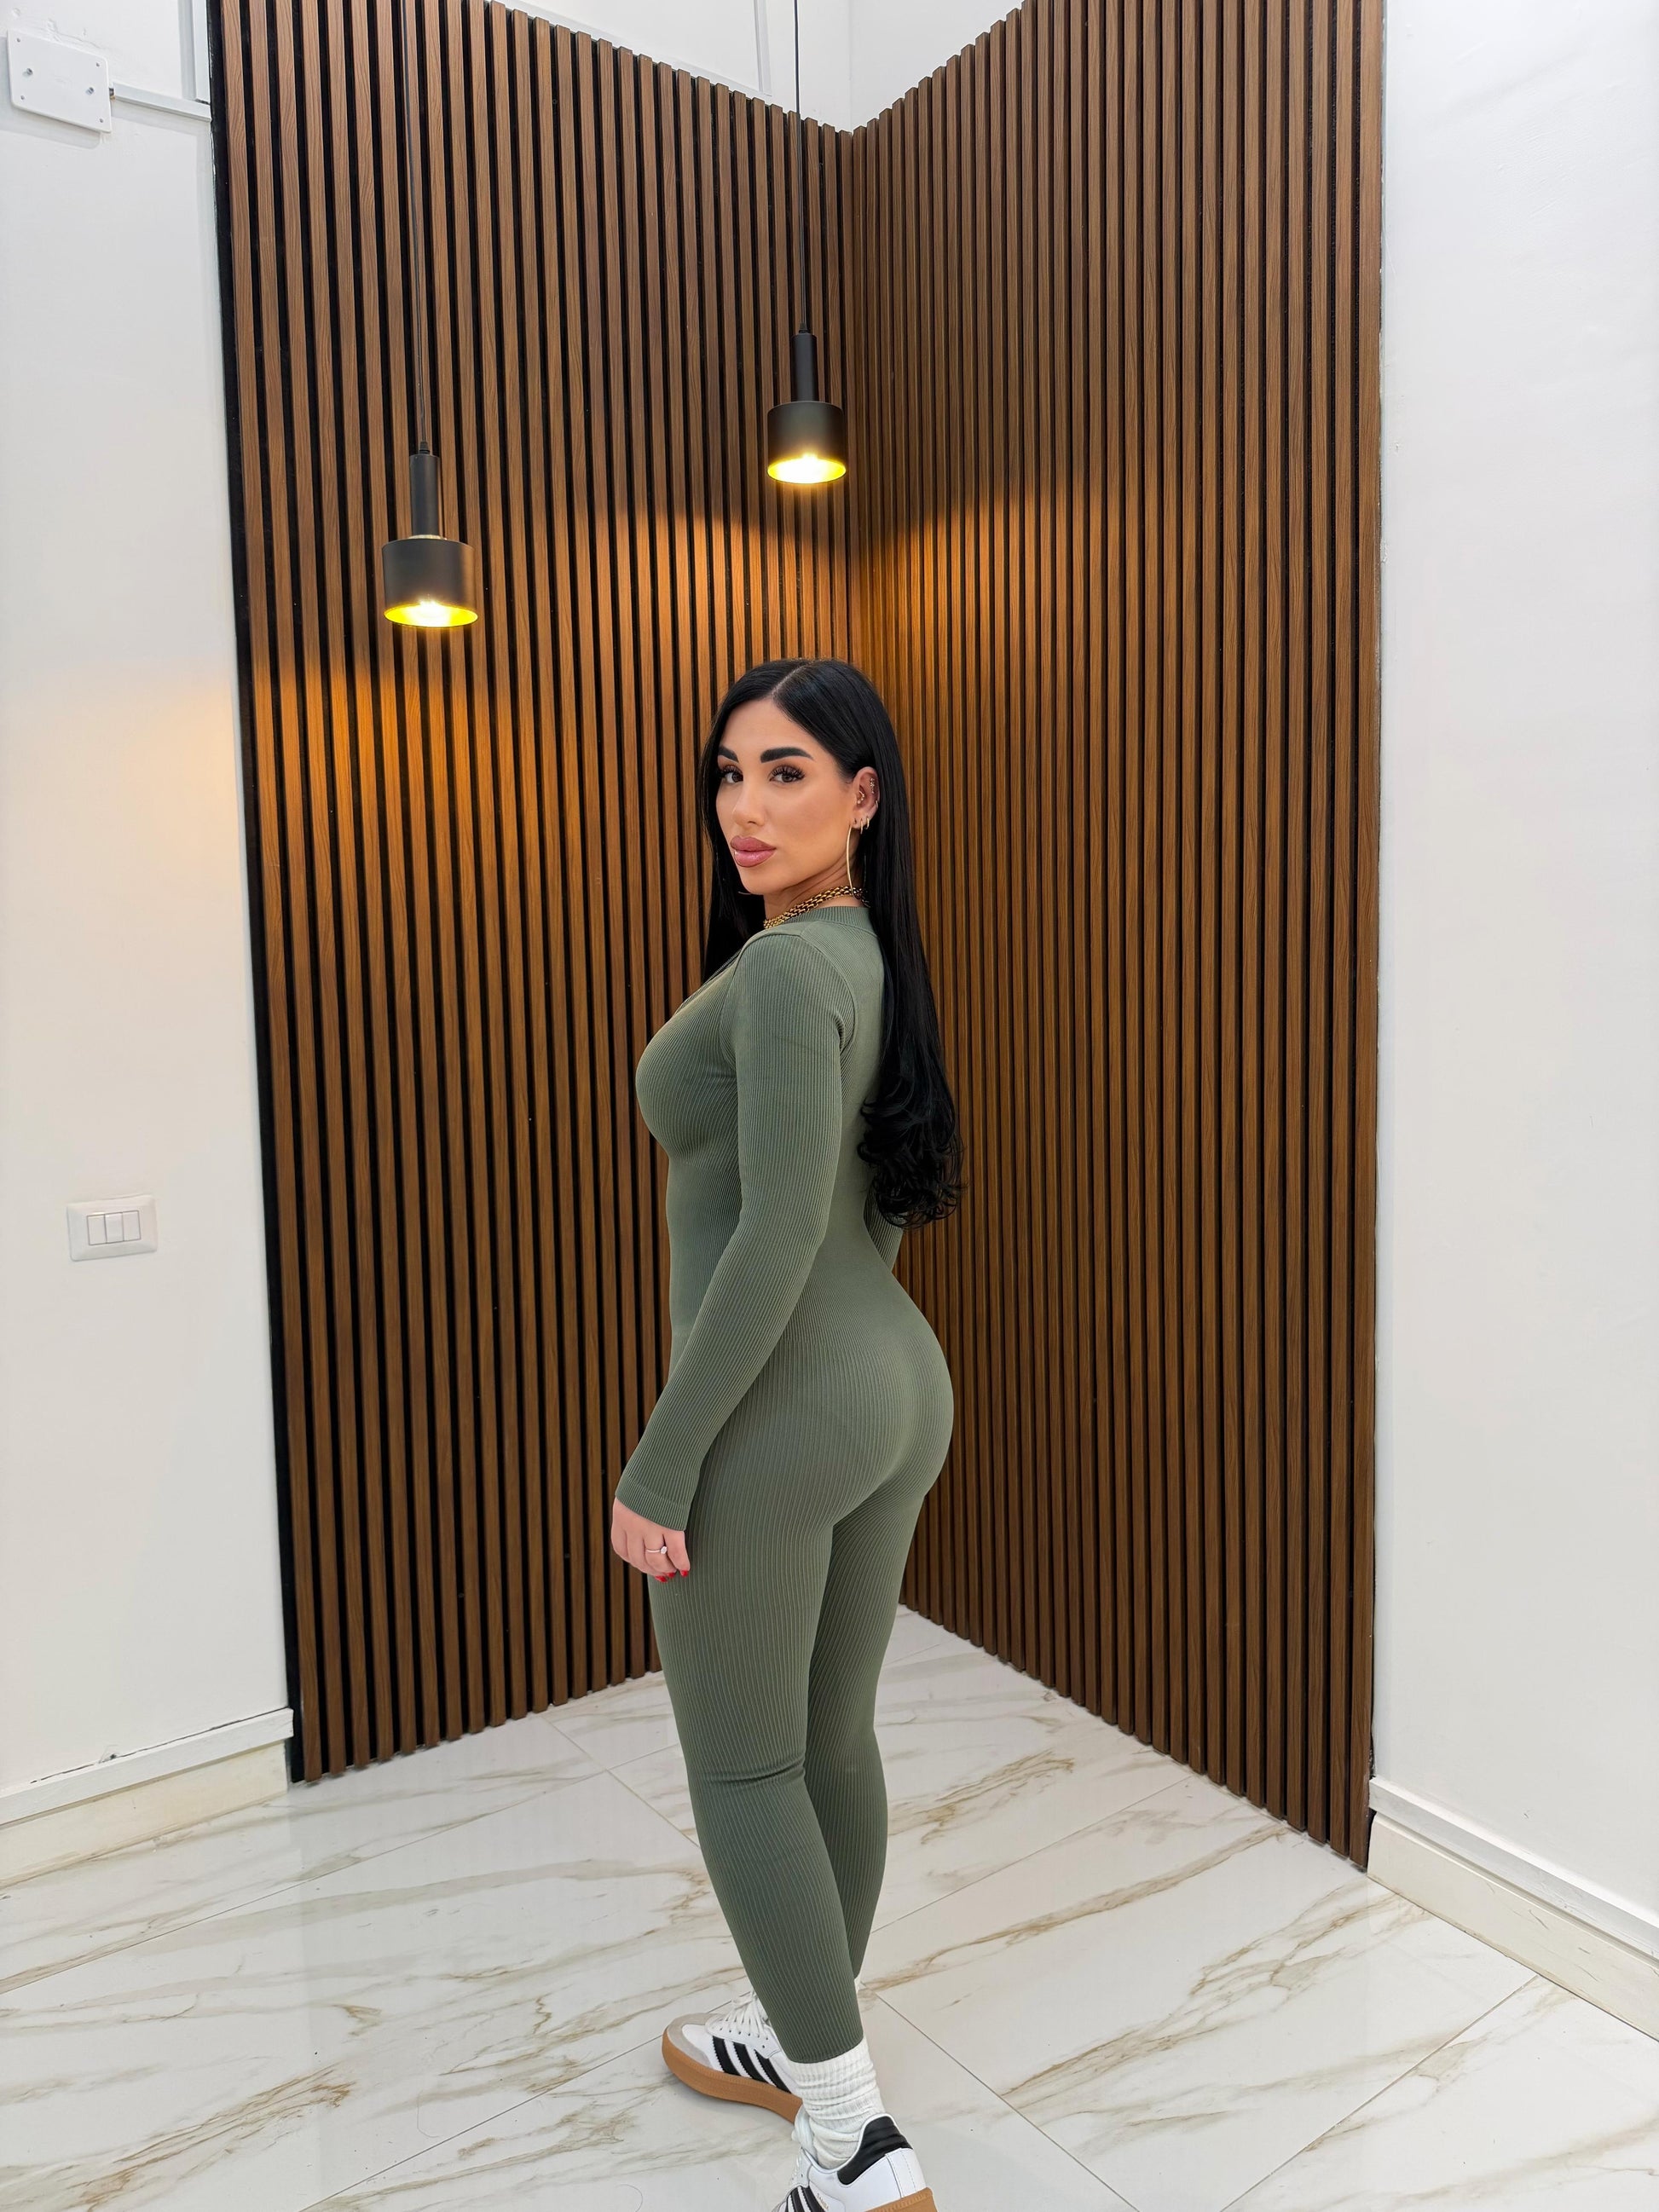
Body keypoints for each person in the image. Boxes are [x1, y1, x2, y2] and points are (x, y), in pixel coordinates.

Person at [611, 658, 962, 2212]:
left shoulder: (776, 973)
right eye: (729, 772)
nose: (744, 808)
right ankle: (802, 2035)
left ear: (862, 795)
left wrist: (661, 1461)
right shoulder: (869, 952)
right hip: (895, 1385)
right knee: (828, 1745)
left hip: (785, 1409)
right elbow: (858, 1212)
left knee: (746, 1769)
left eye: (787, 773)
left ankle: (849, 2141)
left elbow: (766, 1239)